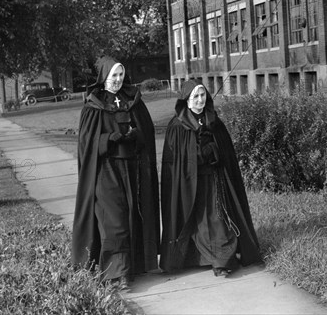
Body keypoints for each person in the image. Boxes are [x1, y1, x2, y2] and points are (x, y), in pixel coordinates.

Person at [71, 56, 159, 288]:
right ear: (103, 78)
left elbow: (147, 133)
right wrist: (109, 139)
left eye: (121, 75)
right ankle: (114, 273)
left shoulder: (133, 101)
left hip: (131, 169)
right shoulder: (93, 105)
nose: (118, 80)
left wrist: (136, 136)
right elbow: (86, 144)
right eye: (113, 76)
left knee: (131, 217)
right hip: (106, 171)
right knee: (114, 222)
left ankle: (132, 267)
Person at [159, 79, 261, 277]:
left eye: (202, 95)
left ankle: (221, 262)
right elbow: (175, 160)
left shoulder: (214, 121)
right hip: (189, 184)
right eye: (195, 97)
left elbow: (226, 152)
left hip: (213, 180)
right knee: (194, 222)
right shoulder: (177, 125)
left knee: (217, 219)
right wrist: (198, 152)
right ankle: (193, 258)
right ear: (187, 100)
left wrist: (213, 150)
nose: (200, 100)